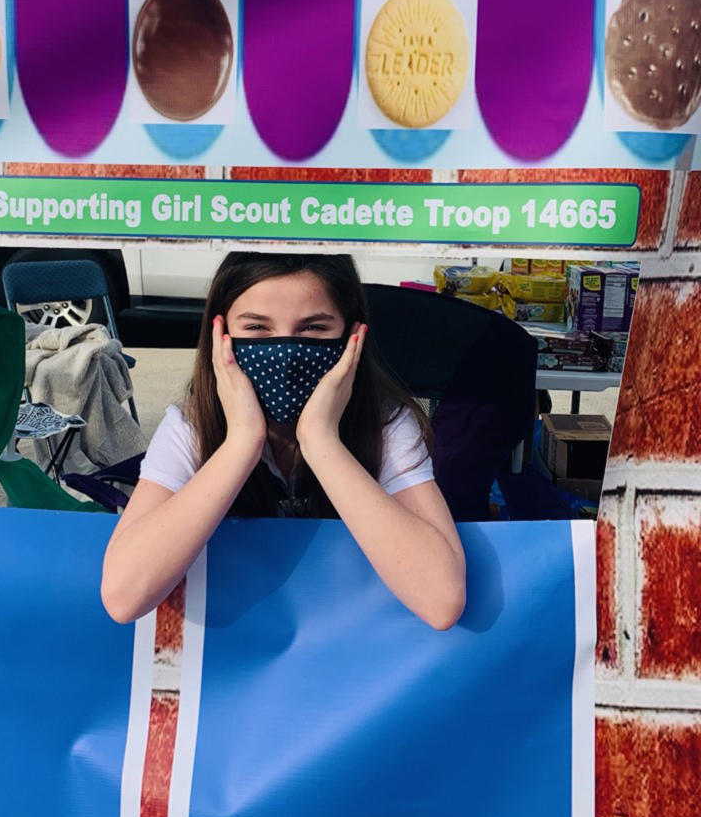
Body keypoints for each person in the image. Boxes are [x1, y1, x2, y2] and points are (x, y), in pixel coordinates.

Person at [101, 252, 465, 630]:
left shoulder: (386, 426)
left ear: (352, 337)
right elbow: (124, 596)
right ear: (220, 336)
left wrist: (322, 442)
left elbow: (442, 600)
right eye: (258, 328)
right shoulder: (191, 427)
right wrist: (242, 442)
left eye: (313, 329)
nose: (286, 353)